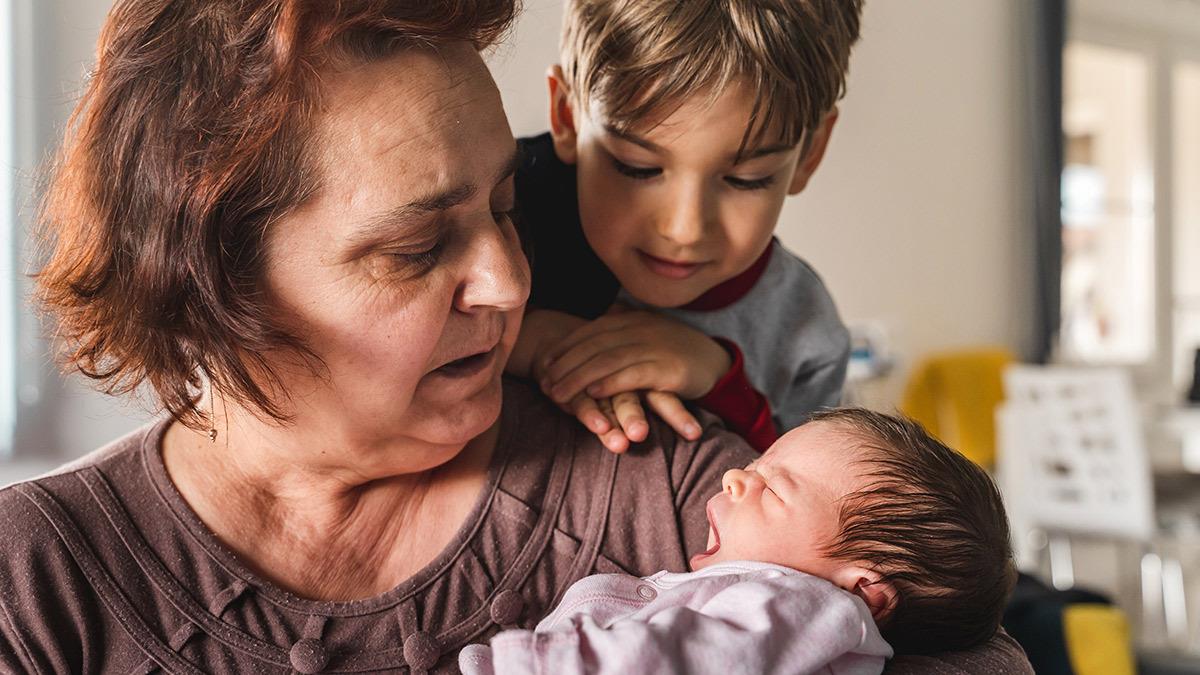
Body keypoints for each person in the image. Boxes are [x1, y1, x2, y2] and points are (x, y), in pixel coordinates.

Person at [0, 1, 1033, 673]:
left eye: (507, 209)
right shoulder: (38, 585)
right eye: (414, 247)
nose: (509, 281)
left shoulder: (664, 483)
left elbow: (970, 644)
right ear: (210, 278)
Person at [506, 0, 863, 454]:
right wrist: (525, 339)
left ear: (810, 153)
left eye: (745, 179)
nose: (685, 229)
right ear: (567, 116)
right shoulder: (495, 226)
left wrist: (719, 381)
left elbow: (808, 508)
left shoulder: (806, 334)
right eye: (637, 168)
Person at [459, 409, 1017, 674]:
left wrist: (530, 664)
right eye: (757, 462)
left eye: (772, 487)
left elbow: (673, 659)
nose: (735, 477)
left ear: (864, 590)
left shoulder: (805, 608)